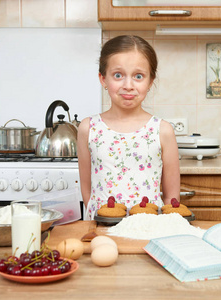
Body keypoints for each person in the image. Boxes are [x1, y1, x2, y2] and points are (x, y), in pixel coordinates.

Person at [77, 35, 181, 219]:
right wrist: (102, 218)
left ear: (150, 81)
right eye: (118, 75)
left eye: (138, 76)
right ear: (103, 79)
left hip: (150, 228)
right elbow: (87, 189)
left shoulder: (162, 130)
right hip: (102, 229)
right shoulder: (88, 128)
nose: (128, 85)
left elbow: (172, 197)